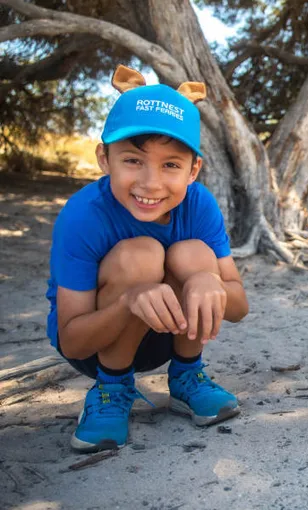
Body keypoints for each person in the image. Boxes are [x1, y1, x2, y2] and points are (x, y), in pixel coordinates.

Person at [46, 65, 249, 452]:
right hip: (97, 343)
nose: (150, 183)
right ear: (104, 159)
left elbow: (238, 308)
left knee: (193, 254)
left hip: (165, 338)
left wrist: (207, 279)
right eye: (133, 160)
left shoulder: (200, 205)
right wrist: (128, 302)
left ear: (193, 170)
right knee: (141, 254)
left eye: (170, 164)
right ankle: (111, 389)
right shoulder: (83, 215)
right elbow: (72, 342)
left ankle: (188, 376)